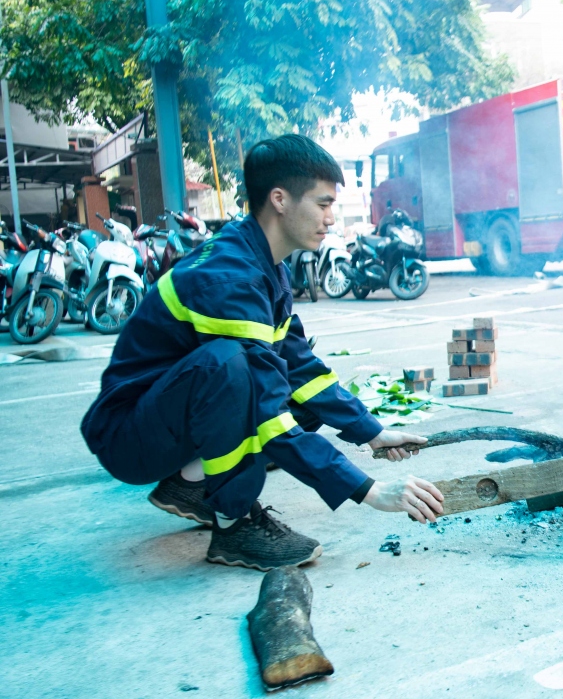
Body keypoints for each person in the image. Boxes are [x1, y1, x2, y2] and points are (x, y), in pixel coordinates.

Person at [81, 135, 444, 570]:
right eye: (323, 204)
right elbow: (266, 412)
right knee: (231, 368)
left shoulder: (263, 261)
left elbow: (299, 366)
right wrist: (367, 489)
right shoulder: (231, 277)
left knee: (292, 391)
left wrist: (370, 431)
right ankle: (234, 525)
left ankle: (190, 486)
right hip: (131, 438)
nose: (331, 219)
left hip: (169, 417)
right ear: (279, 200)